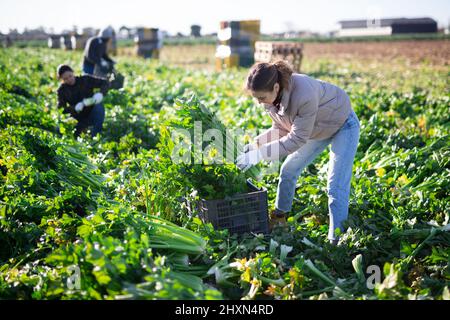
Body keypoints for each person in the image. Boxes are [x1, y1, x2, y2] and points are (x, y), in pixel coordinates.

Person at [236, 61, 360, 245]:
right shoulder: (272, 100)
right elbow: (281, 127)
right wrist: (255, 145)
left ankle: (337, 241)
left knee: (335, 186)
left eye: (261, 97)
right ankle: (279, 217)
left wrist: (260, 155)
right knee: (288, 170)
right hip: (315, 128)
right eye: (256, 98)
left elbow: (296, 139)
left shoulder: (304, 94)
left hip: (343, 125)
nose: (259, 102)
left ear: (276, 87)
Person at [56, 64, 109, 138]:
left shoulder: (85, 79)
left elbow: (105, 82)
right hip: (77, 117)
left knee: (99, 106)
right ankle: (80, 132)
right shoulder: (62, 90)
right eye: (65, 79)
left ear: (73, 72)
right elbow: (61, 109)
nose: (69, 79)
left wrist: (101, 94)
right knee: (59, 129)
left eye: (70, 76)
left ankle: (96, 135)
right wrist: (74, 107)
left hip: (92, 112)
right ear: (62, 80)